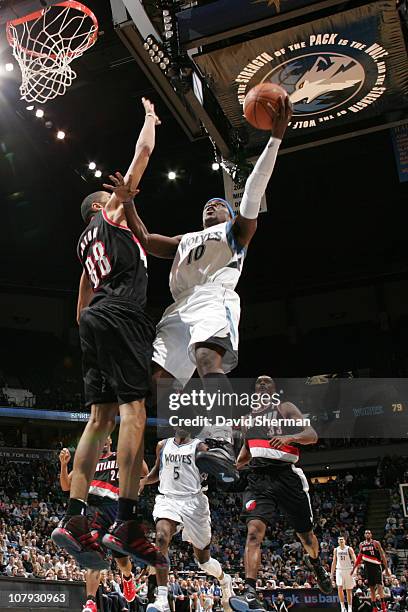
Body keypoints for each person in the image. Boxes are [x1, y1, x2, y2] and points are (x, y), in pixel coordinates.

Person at [121, 96, 293, 485]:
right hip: (179, 306)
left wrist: (275, 140)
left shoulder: (235, 232)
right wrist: (129, 203)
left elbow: (251, 191)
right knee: (161, 378)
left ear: (230, 215)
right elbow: (146, 239)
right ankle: (174, 441)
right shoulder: (186, 239)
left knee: (206, 359)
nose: (211, 207)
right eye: (207, 205)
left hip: (215, 297)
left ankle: (221, 440)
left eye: (219, 204)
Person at [51, 98, 166, 571]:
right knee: (133, 411)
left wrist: (94, 314)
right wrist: (150, 122)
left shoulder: (83, 245)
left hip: (96, 320)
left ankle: (75, 518)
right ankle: (127, 520)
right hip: (120, 314)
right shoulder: (111, 214)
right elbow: (141, 157)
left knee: (99, 419)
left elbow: (80, 309)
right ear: (102, 206)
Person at [229, 375, 332, 612]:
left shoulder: (284, 408)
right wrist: (232, 466)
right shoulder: (247, 419)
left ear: (275, 389)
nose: (263, 384)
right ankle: (250, 592)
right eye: (258, 382)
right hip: (258, 480)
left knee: (306, 537)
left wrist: (290, 437)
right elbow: (247, 451)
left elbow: (311, 435)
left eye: (267, 382)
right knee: (253, 533)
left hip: (286, 477)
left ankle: (315, 563)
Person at [139, 427, 234, 612]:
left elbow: (212, 477)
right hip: (169, 499)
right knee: (161, 538)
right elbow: (157, 473)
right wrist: (143, 481)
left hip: (194, 503)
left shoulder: (201, 448)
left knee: (204, 561)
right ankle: (162, 598)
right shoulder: (162, 445)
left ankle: (225, 579)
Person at [57, 443, 149, 612]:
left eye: (106, 438)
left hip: (116, 508)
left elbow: (145, 472)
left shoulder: (118, 456)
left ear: (110, 441)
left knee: (122, 561)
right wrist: (63, 465)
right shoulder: (87, 461)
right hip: (94, 511)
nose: (103, 442)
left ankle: (127, 577)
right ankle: (90, 602)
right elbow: (66, 486)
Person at [351, 530, 391, 612]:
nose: (367, 534)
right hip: (367, 568)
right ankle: (374, 607)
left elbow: (383, 555)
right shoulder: (361, 544)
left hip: (376, 566)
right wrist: (354, 568)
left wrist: (386, 569)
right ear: (364, 535)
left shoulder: (376, 543)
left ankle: (383, 606)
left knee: (379, 585)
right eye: (366, 533)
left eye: (369, 533)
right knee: (372, 588)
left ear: (371, 535)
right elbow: (359, 557)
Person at [331, 536, 356, 612]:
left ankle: (349, 607)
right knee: (339, 587)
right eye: (339, 539)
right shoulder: (336, 550)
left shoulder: (349, 549)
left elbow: (355, 560)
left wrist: (355, 571)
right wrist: (332, 573)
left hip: (348, 570)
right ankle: (342, 607)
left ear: (345, 541)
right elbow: (334, 562)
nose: (341, 540)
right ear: (338, 541)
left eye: (342, 539)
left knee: (349, 590)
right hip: (339, 570)